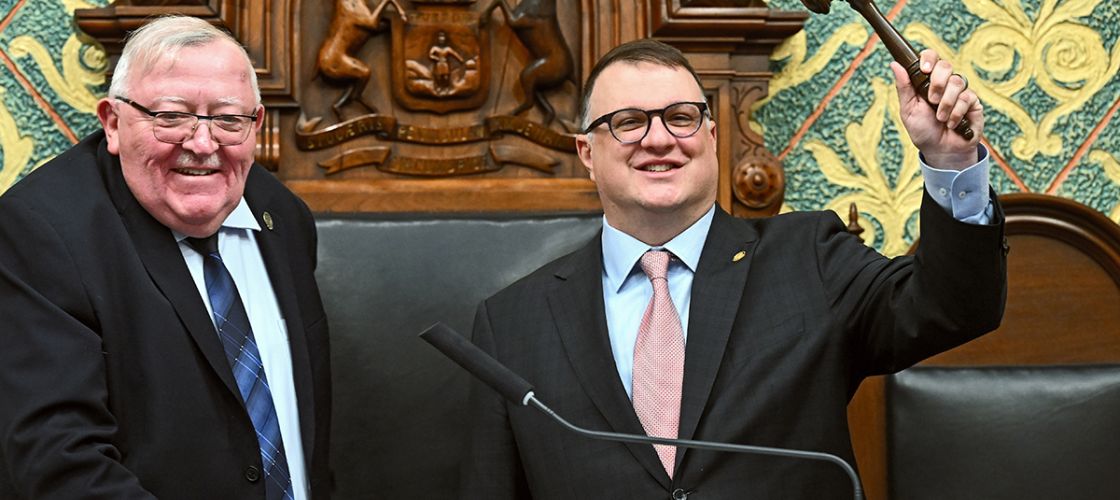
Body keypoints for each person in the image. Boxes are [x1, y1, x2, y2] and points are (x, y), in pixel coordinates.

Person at [459, 39, 1006, 499]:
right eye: (627, 122)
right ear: (586, 151)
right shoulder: (510, 325)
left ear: (711, 137)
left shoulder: (808, 256)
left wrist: (951, 161)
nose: (659, 139)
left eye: (680, 118)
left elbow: (953, 308)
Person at [0, 16, 331, 500]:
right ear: (113, 122)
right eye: (171, 116)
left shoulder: (281, 215)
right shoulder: (39, 234)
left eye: (227, 119)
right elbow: (60, 464)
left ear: (255, 124)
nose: (202, 144)